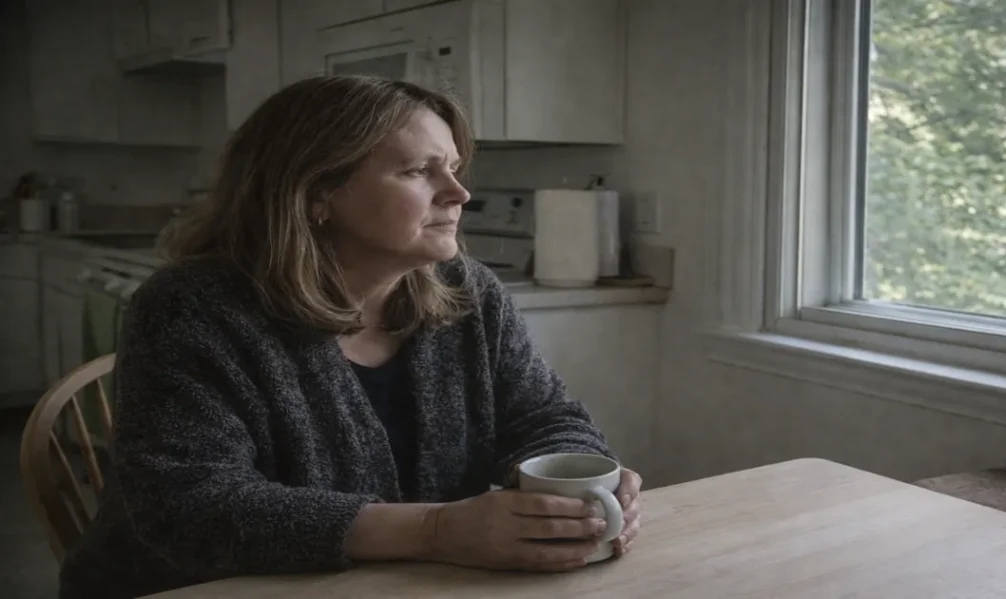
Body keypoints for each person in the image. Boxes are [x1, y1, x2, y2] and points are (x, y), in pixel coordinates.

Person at [57, 75, 643, 599]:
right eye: (420, 171)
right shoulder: (193, 308)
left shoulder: (467, 289)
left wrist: (581, 481)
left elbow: (543, 415)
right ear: (317, 193)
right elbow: (192, 507)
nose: (459, 194)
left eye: (454, 169)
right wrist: (436, 530)